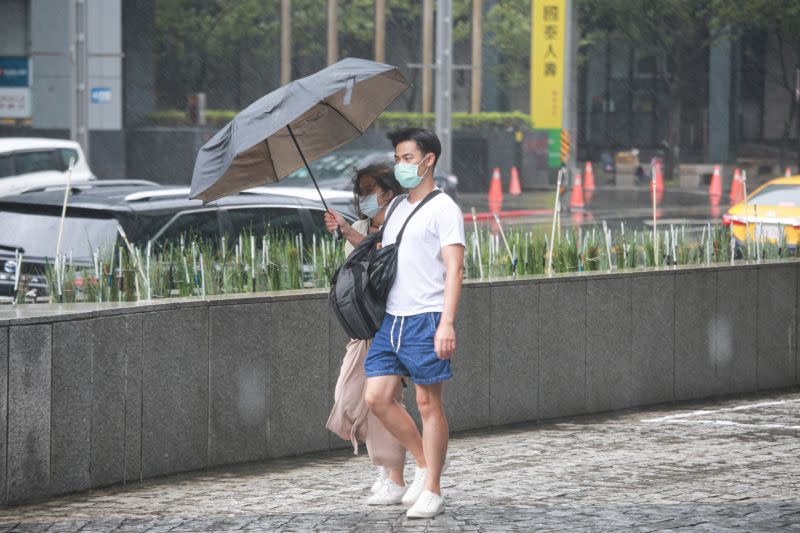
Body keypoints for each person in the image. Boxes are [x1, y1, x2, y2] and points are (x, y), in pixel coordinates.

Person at [364, 128, 465, 519]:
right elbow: (386, 256)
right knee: (376, 397)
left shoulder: (445, 209)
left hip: (427, 318)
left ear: (428, 160)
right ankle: (424, 463)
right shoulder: (396, 209)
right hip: (393, 318)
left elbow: (455, 270)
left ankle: (434, 488)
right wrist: (346, 228)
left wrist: (447, 323)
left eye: (407, 158)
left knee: (428, 403)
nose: (400, 165)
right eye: (397, 158)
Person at [324, 164, 410, 506]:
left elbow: (382, 265)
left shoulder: (398, 225)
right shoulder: (359, 226)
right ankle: (403, 459)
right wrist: (346, 232)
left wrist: (348, 234)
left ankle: (394, 474)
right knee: (348, 398)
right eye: (359, 190)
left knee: (383, 403)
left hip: (389, 324)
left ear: (388, 192)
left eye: (370, 189)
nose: (364, 198)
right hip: (362, 329)